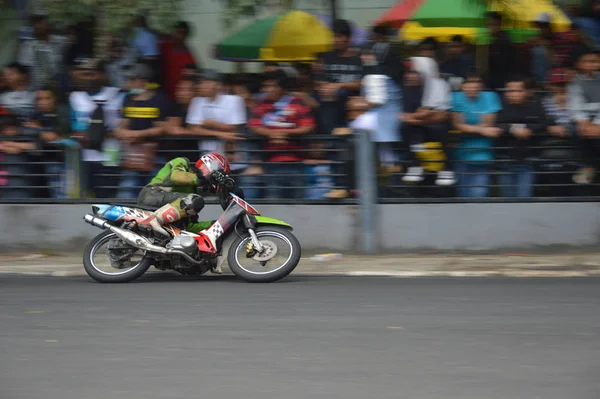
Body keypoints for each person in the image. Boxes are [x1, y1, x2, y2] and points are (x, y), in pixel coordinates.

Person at [137, 152, 243, 238]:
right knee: (195, 200)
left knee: (194, 203)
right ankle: (153, 221)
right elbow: (176, 176)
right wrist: (203, 179)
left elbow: (189, 227)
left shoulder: (191, 195)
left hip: (165, 205)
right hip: (151, 194)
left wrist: (217, 224)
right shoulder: (182, 162)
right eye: (219, 175)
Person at [451, 73, 503, 198]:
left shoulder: (490, 96)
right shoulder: (456, 97)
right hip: (461, 153)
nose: (473, 86)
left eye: (477, 83)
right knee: (462, 195)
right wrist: (482, 130)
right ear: (463, 86)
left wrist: (470, 127)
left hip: (483, 153)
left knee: (479, 195)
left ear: (482, 85)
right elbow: (458, 124)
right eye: (469, 83)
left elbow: (489, 123)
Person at [496, 75, 547, 198]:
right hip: (505, 158)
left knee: (524, 196)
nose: (513, 94)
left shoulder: (535, 104)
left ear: (526, 92)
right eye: (510, 90)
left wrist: (528, 129)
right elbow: (494, 122)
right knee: (506, 197)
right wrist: (513, 129)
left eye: (518, 90)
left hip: (528, 160)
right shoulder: (500, 105)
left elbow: (543, 122)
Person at [568, 48, 600, 184]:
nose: (591, 65)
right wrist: (583, 122)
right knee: (577, 131)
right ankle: (588, 166)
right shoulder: (575, 81)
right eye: (586, 61)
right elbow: (575, 103)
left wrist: (598, 124)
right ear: (579, 64)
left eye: (594, 61)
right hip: (586, 118)